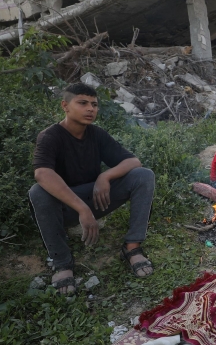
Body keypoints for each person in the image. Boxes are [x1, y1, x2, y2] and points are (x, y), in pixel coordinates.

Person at [29, 82, 155, 295]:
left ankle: (132, 247)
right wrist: (82, 209)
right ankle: (62, 262)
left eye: (94, 104)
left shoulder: (96, 134)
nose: (90, 109)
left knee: (143, 176)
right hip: (64, 208)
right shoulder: (51, 136)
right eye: (82, 103)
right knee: (37, 191)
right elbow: (42, 174)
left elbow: (134, 162)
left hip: (95, 198)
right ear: (65, 106)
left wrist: (105, 175)